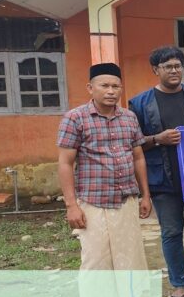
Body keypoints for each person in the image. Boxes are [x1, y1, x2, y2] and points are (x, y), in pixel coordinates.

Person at [129, 46, 184, 297]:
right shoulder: (140, 103)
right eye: (167, 66)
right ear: (156, 70)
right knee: (171, 232)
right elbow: (133, 145)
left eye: (178, 65)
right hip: (162, 181)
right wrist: (157, 138)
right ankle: (179, 283)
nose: (174, 70)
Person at [57, 63, 151, 270]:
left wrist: (145, 195)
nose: (111, 91)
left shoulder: (129, 117)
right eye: (104, 86)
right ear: (90, 88)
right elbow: (65, 163)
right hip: (93, 201)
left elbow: (138, 158)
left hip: (126, 199)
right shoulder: (75, 118)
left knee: (131, 256)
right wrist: (72, 206)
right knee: (96, 260)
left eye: (116, 86)